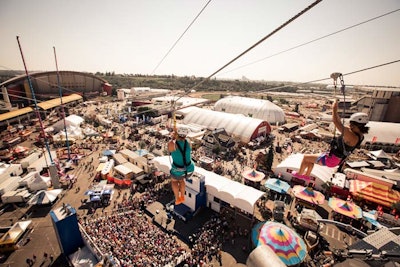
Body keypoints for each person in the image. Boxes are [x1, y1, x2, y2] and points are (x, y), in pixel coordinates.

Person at [295, 99, 369, 178]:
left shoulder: (350, 135)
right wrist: (336, 112)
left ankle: (299, 175)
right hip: (335, 159)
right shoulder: (360, 136)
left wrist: (334, 108)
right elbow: (339, 122)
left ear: (355, 125)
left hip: (331, 159)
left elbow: (336, 122)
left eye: (351, 124)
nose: (349, 126)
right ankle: (306, 175)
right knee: (309, 159)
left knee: (305, 157)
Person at [168, 127, 195, 205]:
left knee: (174, 181)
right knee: (181, 180)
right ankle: (182, 196)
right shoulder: (188, 142)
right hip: (189, 169)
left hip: (178, 170)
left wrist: (173, 137)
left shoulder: (171, 144)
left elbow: (170, 150)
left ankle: (177, 198)